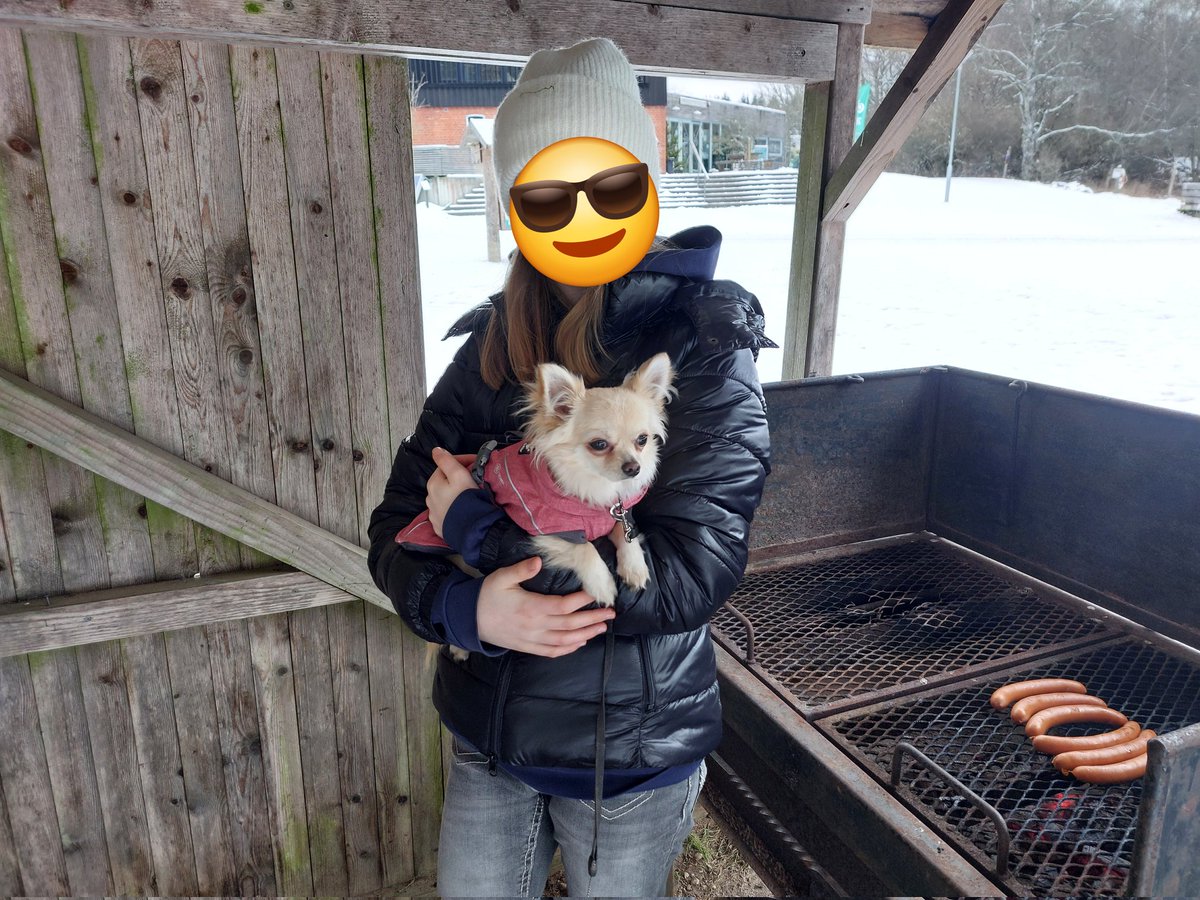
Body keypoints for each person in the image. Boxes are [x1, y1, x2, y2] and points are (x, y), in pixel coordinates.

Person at [367, 37, 773, 897]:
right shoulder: (492, 344)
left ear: (647, 188)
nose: (583, 217)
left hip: (628, 749)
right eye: (550, 193)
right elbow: (396, 525)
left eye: (611, 186)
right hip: (491, 734)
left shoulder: (701, 345)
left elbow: (688, 578)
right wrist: (462, 606)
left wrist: (483, 536)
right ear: (516, 205)